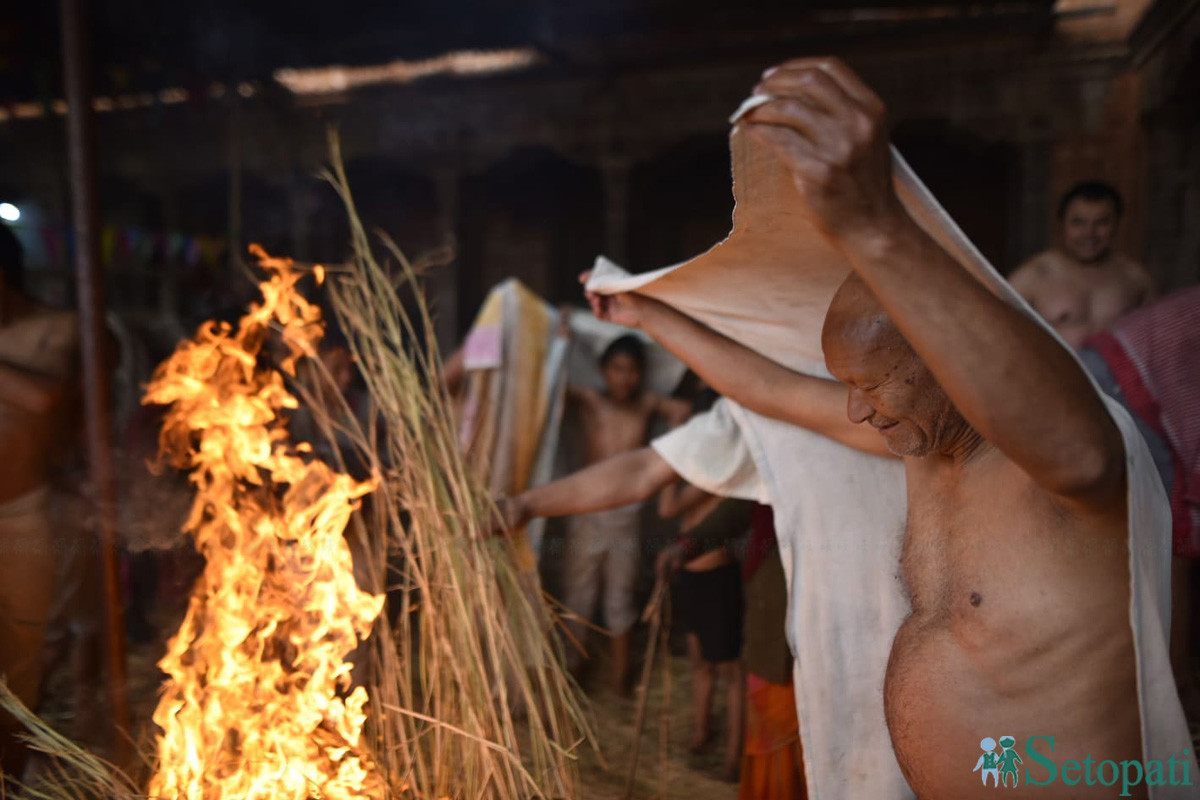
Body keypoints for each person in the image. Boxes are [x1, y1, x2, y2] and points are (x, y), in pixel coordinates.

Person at [587, 57, 1191, 797]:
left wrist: (874, 222)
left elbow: (1078, 448)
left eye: (873, 384)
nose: (856, 410)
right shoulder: (928, 452)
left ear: (948, 359)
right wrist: (647, 317)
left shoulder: (1067, 466)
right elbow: (774, 390)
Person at [558, 334, 690, 692]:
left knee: (620, 596)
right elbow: (554, 384)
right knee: (578, 595)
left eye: (632, 370)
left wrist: (670, 452)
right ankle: (572, 674)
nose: (624, 378)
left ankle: (619, 683)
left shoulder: (646, 404)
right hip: (586, 510)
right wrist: (563, 338)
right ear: (603, 370)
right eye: (616, 369)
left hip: (626, 517)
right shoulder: (590, 399)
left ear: (641, 374)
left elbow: (679, 409)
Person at [0, 223, 79, 779]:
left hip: (22, 513)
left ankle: (9, 771)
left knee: (23, 657)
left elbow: (48, 399)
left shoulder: (57, 329)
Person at [656, 482, 751, 781]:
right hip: (689, 576)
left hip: (717, 578)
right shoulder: (691, 468)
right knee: (700, 662)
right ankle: (701, 733)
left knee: (731, 672)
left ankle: (734, 757)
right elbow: (668, 504)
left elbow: (668, 506)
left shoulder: (717, 468)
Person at [1008, 180, 1155, 347]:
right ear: (1062, 224)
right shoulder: (1032, 276)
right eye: (1078, 222)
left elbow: (1153, 345)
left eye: (1102, 222)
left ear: (1117, 224)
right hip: (1054, 369)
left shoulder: (1136, 279)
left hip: (1114, 372)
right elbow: (1003, 335)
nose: (1089, 233)